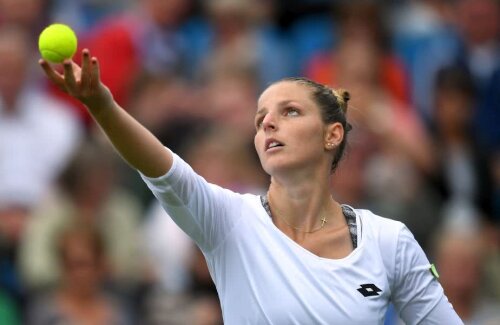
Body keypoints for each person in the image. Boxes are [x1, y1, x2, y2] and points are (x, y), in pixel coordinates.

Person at [39, 49, 463, 324]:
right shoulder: (229, 220)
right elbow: (162, 167)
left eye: (290, 111)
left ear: (332, 135)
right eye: (261, 119)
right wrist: (102, 104)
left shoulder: (390, 240)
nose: (268, 124)